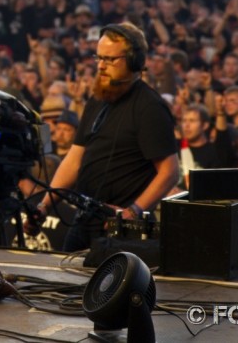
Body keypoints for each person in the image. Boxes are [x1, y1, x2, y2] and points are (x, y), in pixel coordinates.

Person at [34, 23, 179, 252]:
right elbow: (74, 160)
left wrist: (133, 211)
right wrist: (44, 206)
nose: (101, 66)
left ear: (134, 61)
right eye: (99, 58)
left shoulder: (149, 107)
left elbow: (170, 171)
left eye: (110, 60)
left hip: (122, 232)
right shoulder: (97, 99)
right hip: (84, 223)